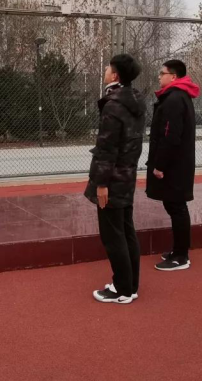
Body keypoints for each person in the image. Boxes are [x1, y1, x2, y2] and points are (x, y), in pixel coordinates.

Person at [85, 54, 146, 305]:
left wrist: (101, 184)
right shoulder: (134, 101)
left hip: (112, 179)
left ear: (115, 75)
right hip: (127, 175)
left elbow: (107, 148)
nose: (105, 70)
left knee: (113, 236)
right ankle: (130, 285)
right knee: (126, 231)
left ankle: (122, 289)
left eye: (108, 67)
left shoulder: (113, 105)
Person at [146, 59, 200, 271]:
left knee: (177, 207)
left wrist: (160, 165)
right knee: (174, 205)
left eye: (162, 73)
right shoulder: (177, 96)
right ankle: (178, 250)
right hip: (178, 163)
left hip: (175, 166)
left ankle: (181, 256)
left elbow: (170, 135)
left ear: (173, 76)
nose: (159, 77)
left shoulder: (174, 99)